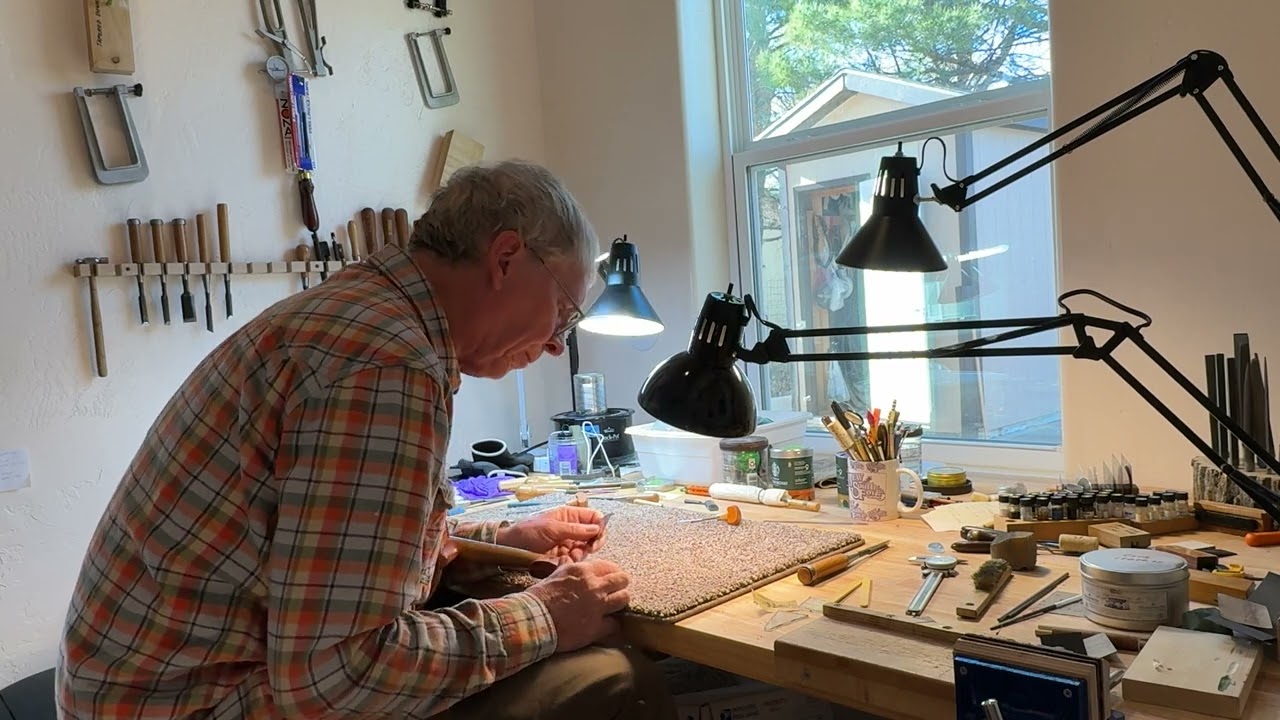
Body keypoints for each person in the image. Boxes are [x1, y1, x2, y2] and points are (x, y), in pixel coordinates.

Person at [56, 160, 677, 719]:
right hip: (192, 704)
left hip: (141, 694)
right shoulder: (384, 365)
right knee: (608, 680)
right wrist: (546, 615)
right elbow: (336, 677)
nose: (553, 345)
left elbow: (325, 550)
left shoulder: (364, 315)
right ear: (507, 257)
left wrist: (495, 541)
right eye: (565, 314)